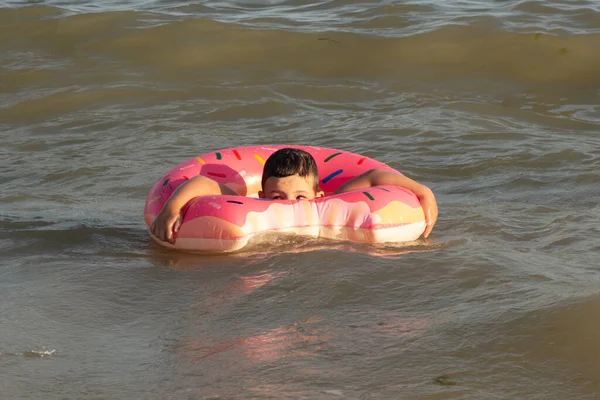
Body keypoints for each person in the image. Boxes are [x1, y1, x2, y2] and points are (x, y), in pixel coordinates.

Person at [150, 148, 438, 244]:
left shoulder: (328, 203)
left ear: (318, 194)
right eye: (277, 197)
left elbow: (374, 178)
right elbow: (204, 183)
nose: (289, 205)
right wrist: (172, 208)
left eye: (299, 197)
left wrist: (421, 190)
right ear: (261, 194)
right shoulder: (252, 207)